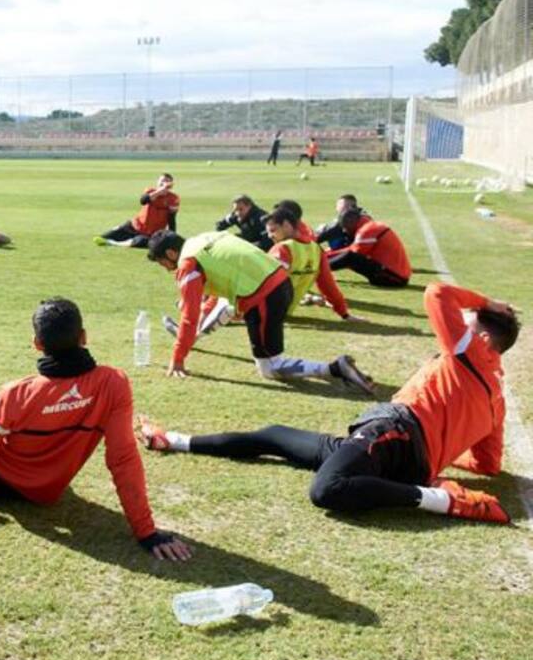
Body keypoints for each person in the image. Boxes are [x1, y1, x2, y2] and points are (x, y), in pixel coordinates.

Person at [140, 282, 518, 525]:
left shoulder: (471, 352)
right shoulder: (496, 398)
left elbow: (436, 293)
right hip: (401, 453)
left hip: (394, 434)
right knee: (273, 436)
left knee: (327, 489)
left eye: (468, 321)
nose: (459, 323)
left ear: (484, 339)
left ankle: (444, 500)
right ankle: (172, 440)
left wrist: (488, 302)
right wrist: (442, 447)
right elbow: (487, 464)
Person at [0, 297, 192, 562]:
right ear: (84, 337)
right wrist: (146, 531)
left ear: (37, 343)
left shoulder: (17, 393)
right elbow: (123, 459)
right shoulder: (113, 383)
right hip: (46, 490)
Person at [146, 229, 374, 392]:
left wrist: (177, 359)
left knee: (269, 368)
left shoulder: (188, 263)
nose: (164, 268)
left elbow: (189, 315)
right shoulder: (205, 239)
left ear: (171, 254)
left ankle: (335, 368)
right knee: (228, 307)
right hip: (279, 283)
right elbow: (222, 282)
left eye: (161, 262)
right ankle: (197, 335)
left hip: (264, 296)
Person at [264, 208, 357, 320]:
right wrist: (344, 313)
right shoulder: (316, 249)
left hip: (261, 311)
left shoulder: (282, 249)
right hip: (283, 312)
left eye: (273, 230)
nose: (269, 236)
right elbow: (328, 285)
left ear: (286, 225)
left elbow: (266, 283)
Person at [327, 208, 411, 288]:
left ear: (351, 221)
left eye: (344, 226)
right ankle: (322, 266)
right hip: (396, 276)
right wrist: (330, 254)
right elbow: (351, 249)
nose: (344, 230)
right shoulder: (370, 226)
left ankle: (321, 269)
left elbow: (353, 253)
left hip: (393, 278)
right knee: (350, 256)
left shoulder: (366, 230)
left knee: (351, 257)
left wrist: (327, 256)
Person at [94, 173, 180, 248]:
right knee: (102, 237)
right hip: (134, 226)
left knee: (142, 241)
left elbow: (171, 219)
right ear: (157, 182)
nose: (164, 183)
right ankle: (122, 239)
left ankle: (114, 244)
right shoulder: (150, 191)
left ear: (171, 185)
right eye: (162, 181)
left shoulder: (173, 198)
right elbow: (143, 200)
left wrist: (171, 238)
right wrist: (158, 192)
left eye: (167, 181)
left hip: (150, 233)